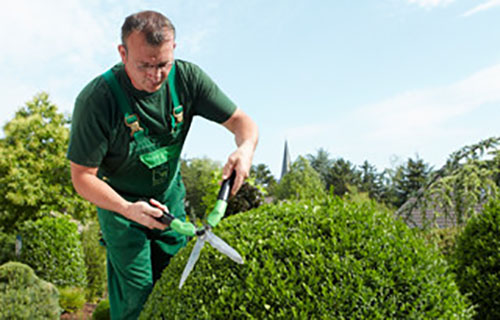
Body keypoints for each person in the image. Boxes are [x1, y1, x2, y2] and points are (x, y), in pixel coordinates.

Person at [67, 10, 258, 320]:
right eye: (144, 65)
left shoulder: (187, 79)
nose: (155, 75)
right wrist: (129, 209)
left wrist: (245, 149)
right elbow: (82, 177)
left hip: (170, 203)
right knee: (138, 302)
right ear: (123, 53)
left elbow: (242, 122)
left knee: (177, 290)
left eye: (163, 65)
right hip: (122, 211)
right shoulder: (97, 101)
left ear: (174, 52)